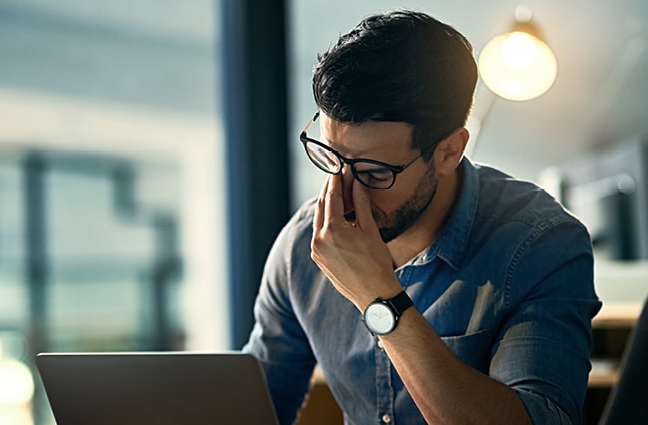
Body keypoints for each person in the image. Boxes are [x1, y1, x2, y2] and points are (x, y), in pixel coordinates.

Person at [242, 9, 602, 425]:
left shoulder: (541, 244)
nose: (344, 195)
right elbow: (257, 405)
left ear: (449, 151)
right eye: (331, 158)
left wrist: (378, 298)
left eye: (375, 173)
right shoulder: (305, 244)